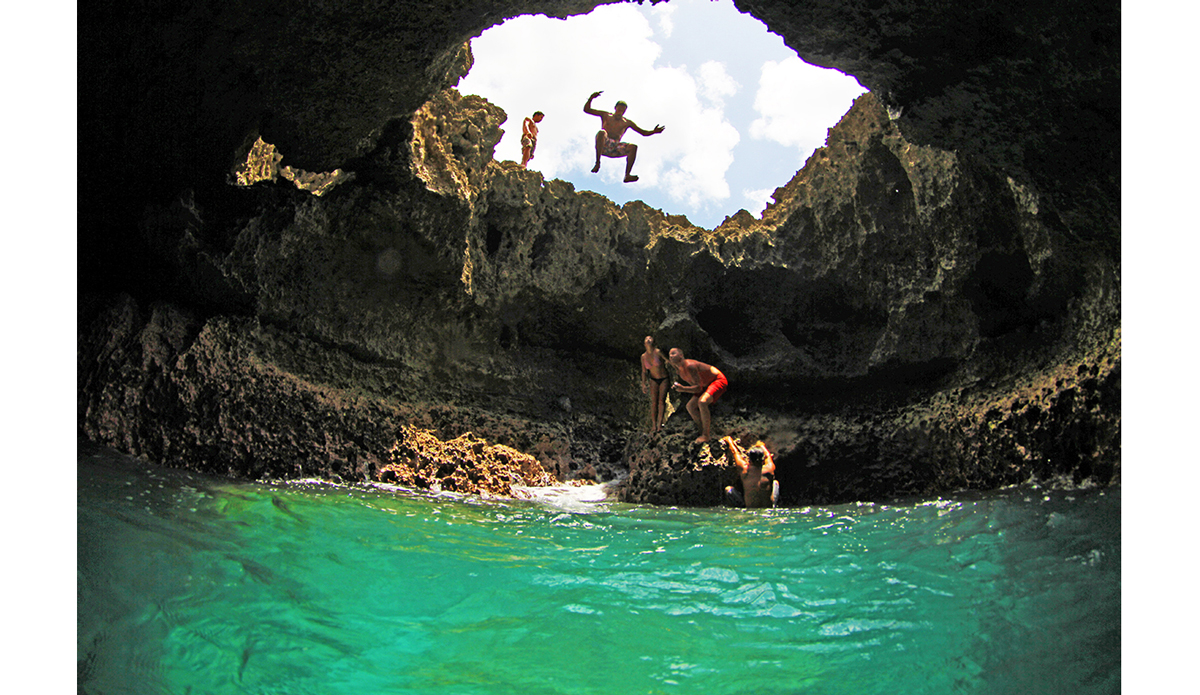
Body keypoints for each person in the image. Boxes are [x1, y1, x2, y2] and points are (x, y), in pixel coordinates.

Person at [583, 91, 665, 183]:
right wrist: (591, 98)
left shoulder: (627, 122)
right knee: (602, 132)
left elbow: (643, 133)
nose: (620, 112)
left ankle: (627, 175)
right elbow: (587, 110)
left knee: (633, 147)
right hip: (603, 145)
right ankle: (597, 163)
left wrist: (654, 131)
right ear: (615, 108)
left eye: (623, 110)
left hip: (615, 148)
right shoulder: (606, 115)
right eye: (619, 109)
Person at [668, 348, 727, 442]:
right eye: (670, 354)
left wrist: (683, 389)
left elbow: (698, 388)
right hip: (705, 385)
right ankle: (702, 430)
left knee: (702, 402)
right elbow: (696, 387)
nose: (671, 356)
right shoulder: (679, 371)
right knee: (690, 406)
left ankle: (706, 435)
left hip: (717, 380)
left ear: (681, 355)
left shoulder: (690, 366)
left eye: (673, 353)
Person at [720, 437, 779, 509]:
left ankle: (736, 508)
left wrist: (729, 440)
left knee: (728, 489)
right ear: (763, 459)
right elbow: (768, 455)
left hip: (749, 508)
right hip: (768, 507)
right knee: (775, 482)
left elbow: (735, 452)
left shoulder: (745, 469)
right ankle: (774, 504)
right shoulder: (769, 468)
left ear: (749, 459)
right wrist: (762, 446)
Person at [640, 336, 670, 434]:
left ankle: (659, 425)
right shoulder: (643, 357)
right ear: (644, 344)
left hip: (664, 378)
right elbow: (644, 371)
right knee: (654, 402)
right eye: (646, 339)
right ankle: (653, 425)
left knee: (661, 401)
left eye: (650, 338)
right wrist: (643, 384)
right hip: (653, 379)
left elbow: (667, 361)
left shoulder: (658, 352)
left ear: (654, 341)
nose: (648, 340)